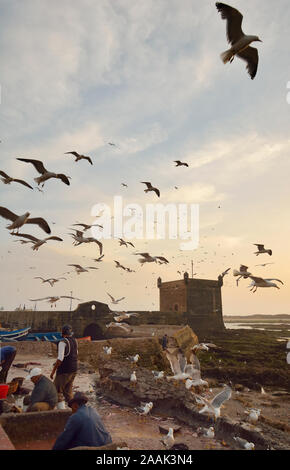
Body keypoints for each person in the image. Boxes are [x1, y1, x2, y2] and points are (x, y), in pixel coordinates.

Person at [50, 325, 78, 405]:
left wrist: (53, 371)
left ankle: (60, 410)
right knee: (68, 392)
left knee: (55, 391)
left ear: (62, 333)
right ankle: (73, 409)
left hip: (64, 371)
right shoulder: (75, 340)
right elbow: (76, 354)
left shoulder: (62, 342)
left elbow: (60, 359)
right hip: (74, 369)